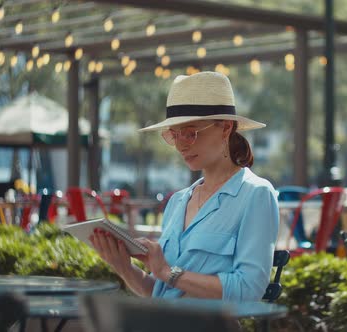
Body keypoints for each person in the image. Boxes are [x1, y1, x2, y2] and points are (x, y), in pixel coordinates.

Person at [90, 71, 279, 302]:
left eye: (190, 133)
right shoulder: (177, 202)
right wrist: (124, 268)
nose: (180, 145)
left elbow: (248, 289)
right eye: (174, 134)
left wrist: (169, 273)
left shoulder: (256, 194)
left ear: (226, 127)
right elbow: (159, 291)